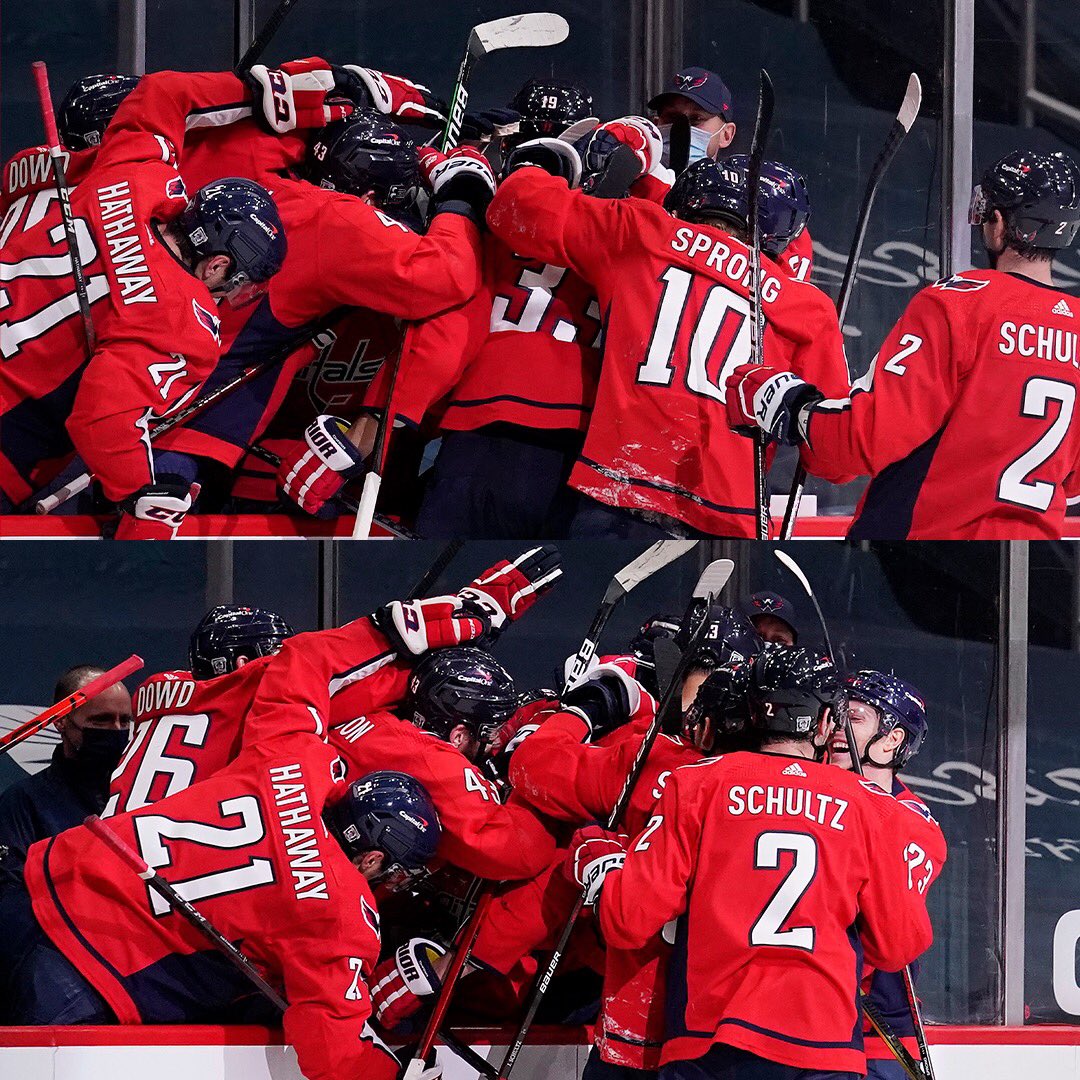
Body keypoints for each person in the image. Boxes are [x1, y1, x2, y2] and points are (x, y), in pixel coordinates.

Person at [565, 647, 939, 1079]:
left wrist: (603, 861)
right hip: (824, 1048)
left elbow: (627, 919)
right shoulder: (873, 807)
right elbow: (898, 946)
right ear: (822, 723)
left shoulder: (695, 783)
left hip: (707, 1043)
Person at [487, 145, 849, 538]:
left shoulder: (643, 230)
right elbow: (835, 460)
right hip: (727, 512)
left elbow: (515, 206)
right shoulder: (808, 306)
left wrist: (538, 163)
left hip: (619, 488)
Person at [725, 148, 1080, 539]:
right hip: (1027, 556)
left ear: (998, 225)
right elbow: (1073, 477)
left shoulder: (960, 302)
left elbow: (869, 436)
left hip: (929, 548)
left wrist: (792, 408)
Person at [0, 69, 294, 538]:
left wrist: (270, 90)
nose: (237, 296)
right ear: (216, 266)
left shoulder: (136, 172)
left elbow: (163, 92)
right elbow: (104, 418)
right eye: (240, 281)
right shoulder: (182, 319)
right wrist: (144, 494)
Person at [112, 548, 559, 814]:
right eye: (272, 651)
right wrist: (458, 620)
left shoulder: (156, 690)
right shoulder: (249, 693)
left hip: (127, 836)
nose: (280, 657)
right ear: (243, 659)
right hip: (178, 860)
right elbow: (317, 670)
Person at [331, 645, 558, 883]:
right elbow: (522, 855)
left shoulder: (370, 716)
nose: (493, 741)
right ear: (458, 735)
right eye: (490, 731)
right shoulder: (437, 766)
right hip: (350, 890)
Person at [831, 671, 947, 1080]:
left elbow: (887, 939)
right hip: (818, 1029)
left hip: (880, 1035)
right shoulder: (813, 798)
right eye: (836, 711)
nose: (837, 725)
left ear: (892, 739)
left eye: (856, 715)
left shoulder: (915, 823)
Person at [0, 666, 133, 869]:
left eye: (124, 721)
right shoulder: (23, 803)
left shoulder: (144, 794)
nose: (116, 731)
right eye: (101, 720)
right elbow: (11, 889)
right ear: (61, 720)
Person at [648, 68, 736, 167]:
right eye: (672, 117)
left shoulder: (747, 182)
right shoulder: (632, 180)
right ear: (655, 127)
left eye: (697, 119)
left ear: (726, 135)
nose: (682, 128)